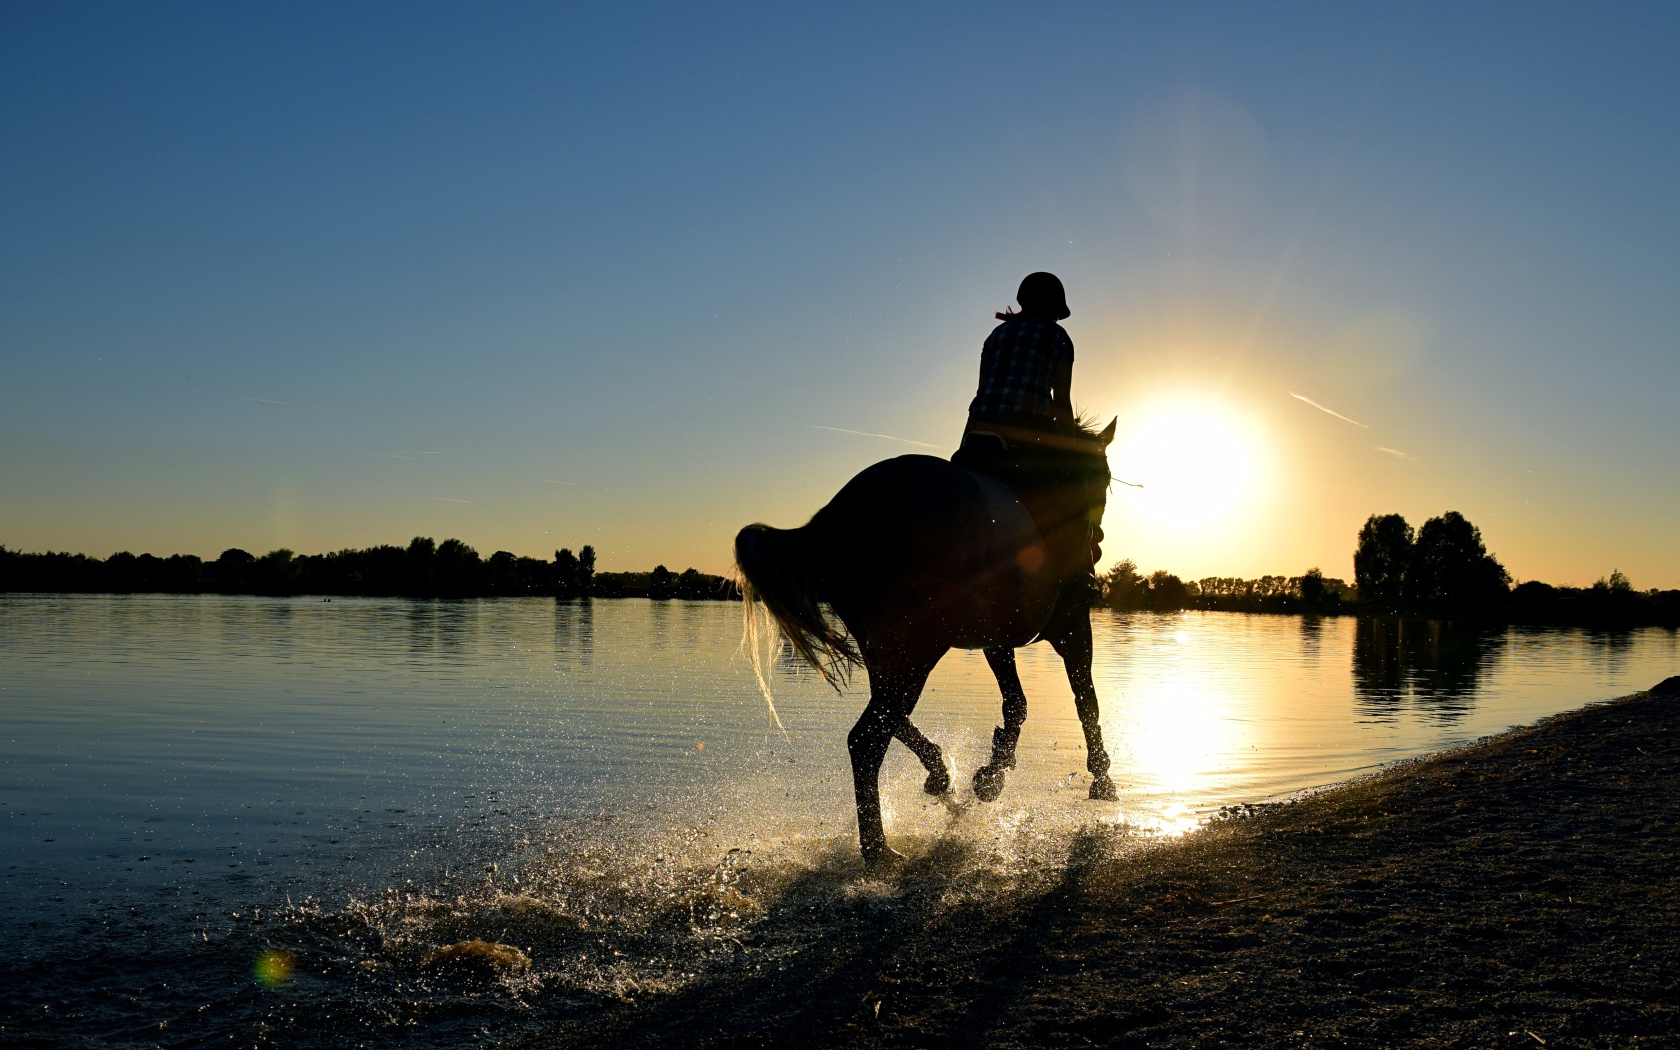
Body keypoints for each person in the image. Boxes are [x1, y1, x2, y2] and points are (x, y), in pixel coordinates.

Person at [954, 272, 1102, 598]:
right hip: (1026, 434)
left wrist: (965, 441)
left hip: (979, 432)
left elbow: (981, 392)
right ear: (1054, 307)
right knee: (1074, 494)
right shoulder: (1057, 336)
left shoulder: (996, 335)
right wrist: (1072, 453)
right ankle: (1077, 577)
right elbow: (1061, 403)